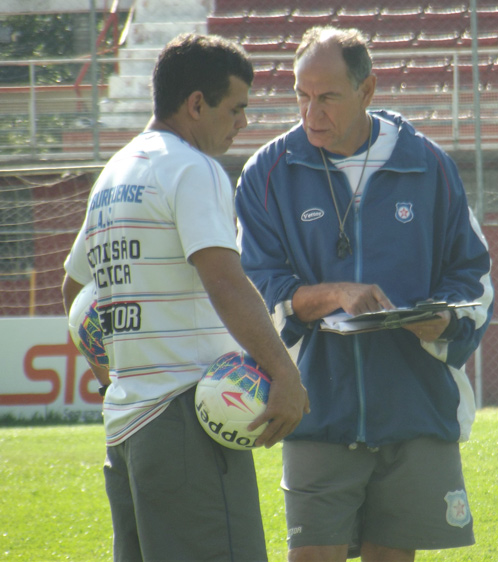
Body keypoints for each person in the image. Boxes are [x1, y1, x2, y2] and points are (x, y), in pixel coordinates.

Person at [235, 26, 494, 562]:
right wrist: (334, 295)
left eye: (327, 97)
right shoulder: (266, 173)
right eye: (302, 97)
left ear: (368, 91)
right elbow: (258, 289)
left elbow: (473, 278)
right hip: (316, 411)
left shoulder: (430, 166)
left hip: (414, 411)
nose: (312, 114)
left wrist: (440, 321)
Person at [61, 33, 309, 562]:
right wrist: (284, 374)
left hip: (127, 429)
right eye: (236, 108)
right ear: (196, 104)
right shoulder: (192, 168)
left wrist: (112, 375)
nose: (243, 122)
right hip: (186, 427)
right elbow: (224, 280)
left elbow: (74, 289)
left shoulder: (114, 173)